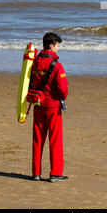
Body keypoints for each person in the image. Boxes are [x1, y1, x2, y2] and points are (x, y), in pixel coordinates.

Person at [31, 32, 68, 182]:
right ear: (52, 46)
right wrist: (63, 99)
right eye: (58, 45)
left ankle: (36, 173)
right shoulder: (57, 65)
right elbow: (63, 87)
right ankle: (55, 174)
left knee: (38, 139)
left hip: (38, 104)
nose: (58, 48)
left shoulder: (34, 62)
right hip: (52, 106)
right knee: (55, 140)